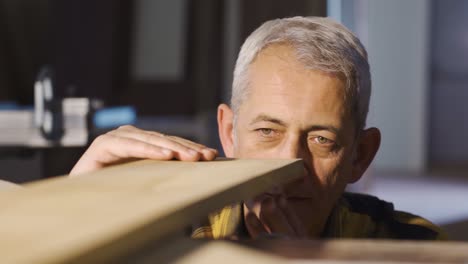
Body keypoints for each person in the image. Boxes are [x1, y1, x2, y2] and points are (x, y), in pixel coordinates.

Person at [70, 16, 445, 240]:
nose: (289, 165)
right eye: (268, 131)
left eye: (320, 139)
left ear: (360, 155)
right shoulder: (161, 238)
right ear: (229, 133)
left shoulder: (414, 245)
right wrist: (73, 220)